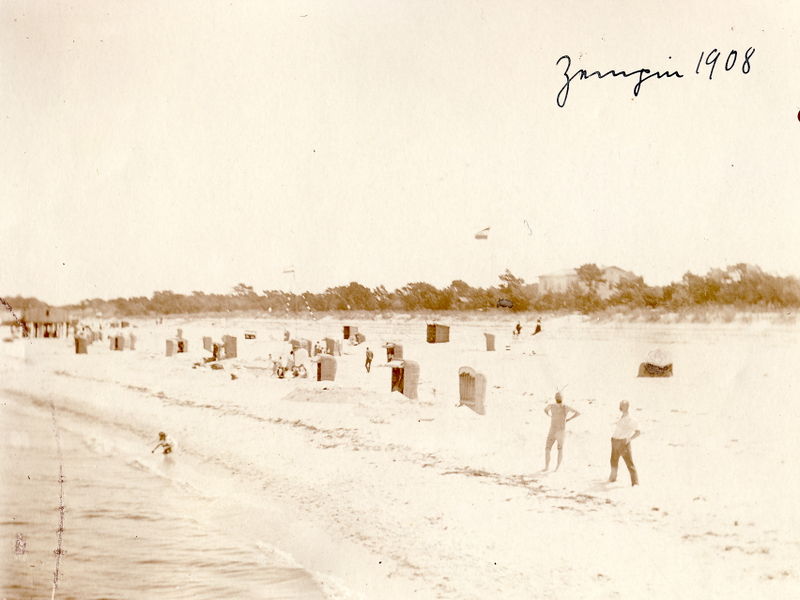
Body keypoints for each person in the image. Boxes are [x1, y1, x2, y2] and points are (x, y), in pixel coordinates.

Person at [543, 391, 580, 471]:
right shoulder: (565, 407)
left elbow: (545, 410)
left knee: (548, 448)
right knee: (560, 449)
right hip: (561, 430)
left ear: (555, 398)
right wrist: (569, 419)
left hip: (552, 430)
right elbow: (578, 413)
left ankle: (547, 467)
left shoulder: (551, 406)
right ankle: (557, 468)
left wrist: (549, 415)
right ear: (562, 399)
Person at [609, 400, 640, 486]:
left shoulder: (632, 419)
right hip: (615, 441)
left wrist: (629, 439)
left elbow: (638, 432)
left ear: (627, 407)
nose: (620, 407)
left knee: (629, 463)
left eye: (622, 406)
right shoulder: (621, 417)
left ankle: (635, 483)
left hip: (623, 442)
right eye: (620, 405)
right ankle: (612, 478)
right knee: (613, 461)